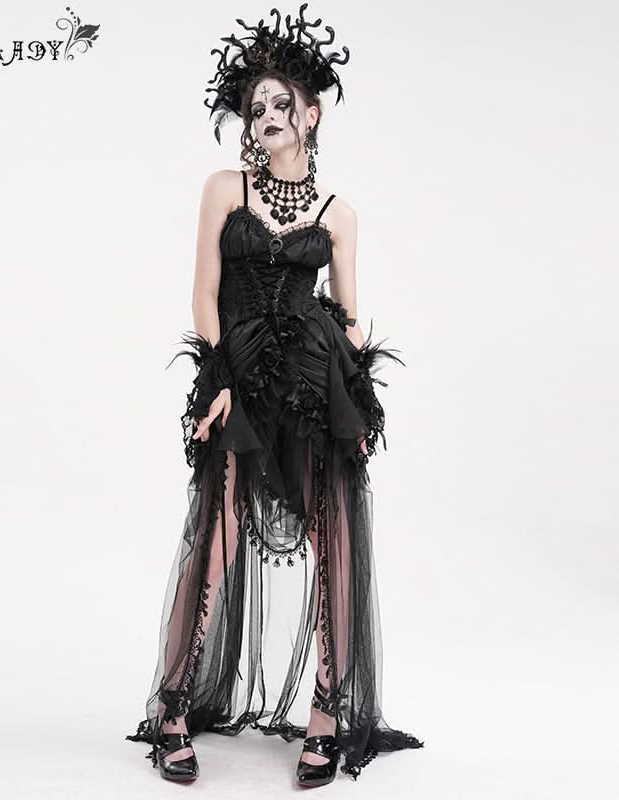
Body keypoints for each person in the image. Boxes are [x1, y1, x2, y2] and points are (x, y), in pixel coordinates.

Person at [126, 5, 424, 786]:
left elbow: (349, 318)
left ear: (310, 114)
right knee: (216, 539)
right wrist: (217, 379)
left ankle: (327, 711)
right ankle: (171, 707)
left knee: (334, 541)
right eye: (254, 106)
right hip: (243, 379)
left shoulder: (338, 215)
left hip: (313, 384)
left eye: (278, 103)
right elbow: (204, 294)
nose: (263, 115)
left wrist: (358, 400)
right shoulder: (223, 188)